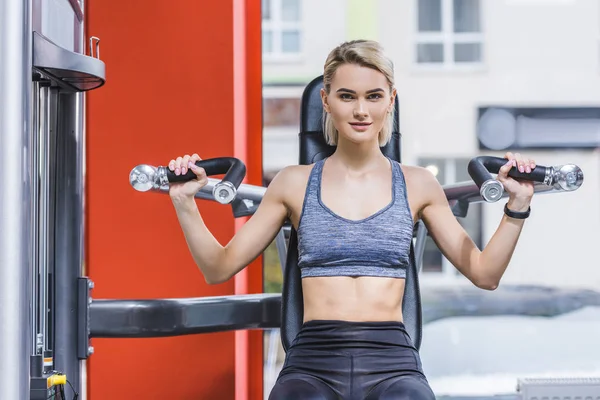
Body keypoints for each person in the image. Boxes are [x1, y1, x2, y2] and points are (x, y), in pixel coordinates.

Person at [167, 40, 536, 400]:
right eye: (347, 96)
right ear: (326, 101)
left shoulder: (418, 183)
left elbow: (485, 274)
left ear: (390, 100)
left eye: (373, 96)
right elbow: (219, 267)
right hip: (312, 361)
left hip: (392, 361)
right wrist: (185, 203)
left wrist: (517, 205)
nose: (361, 110)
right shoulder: (293, 183)